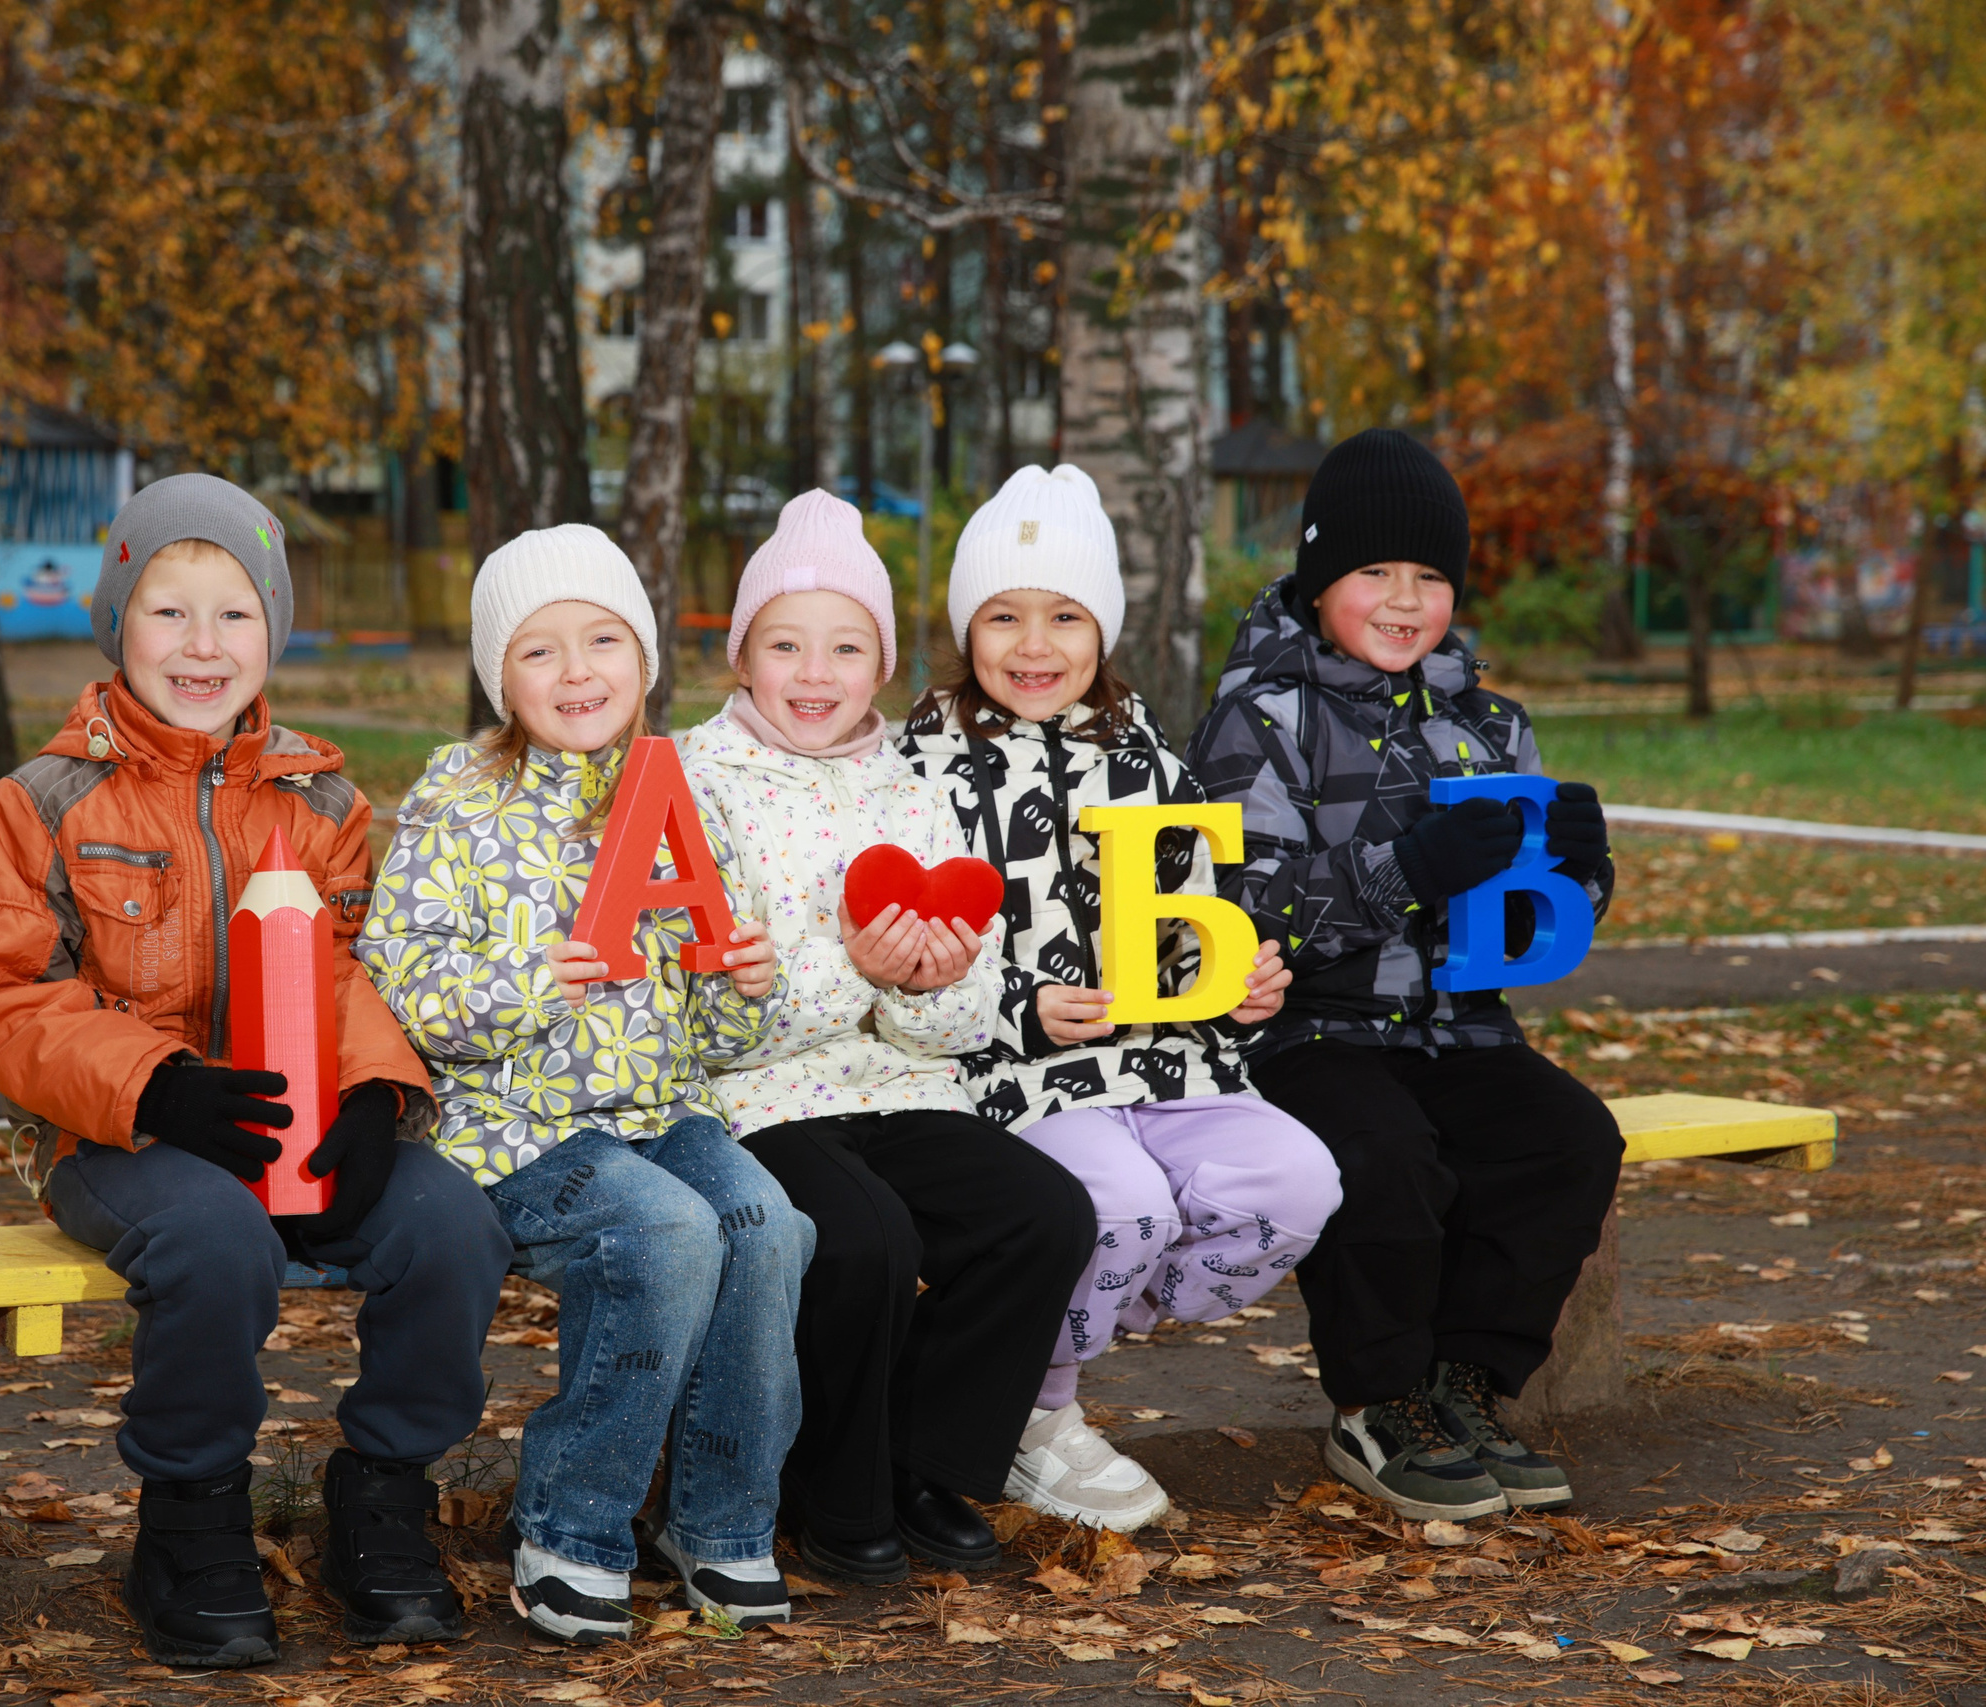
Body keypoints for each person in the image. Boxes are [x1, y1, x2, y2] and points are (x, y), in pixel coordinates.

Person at [0, 474, 512, 1665]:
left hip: (296, 1109)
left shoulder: (323, 801)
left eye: (235, 614)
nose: (202, 646)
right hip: (124, 1134)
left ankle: (381, 1497)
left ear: (274, 630)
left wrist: (370, 1093)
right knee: (217, 1243)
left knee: (453, 1225)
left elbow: (355, 964)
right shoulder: (39, 801)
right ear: (116, 625)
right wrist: (154, 1083)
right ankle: (190, 1515)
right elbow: (3, 1000)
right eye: (168, 612)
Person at [357, 525, 813, 1644]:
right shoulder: (456, 801)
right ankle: (572, 1528)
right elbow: (400, 985)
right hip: (512, 1129)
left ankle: (720, 1525)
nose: (576, 673)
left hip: (659, 1110)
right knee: (664, 1233)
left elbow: (718, 1028)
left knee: (766, 1222)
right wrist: (526, 980)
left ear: (645, 660)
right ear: (498, 678)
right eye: (538, 651)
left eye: (603, 640)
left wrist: (742, 978)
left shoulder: (679, 799)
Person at [1184, 427, 1623, 1521]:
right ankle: (1377, 1402)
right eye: (1373, 572)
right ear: (1319, 577)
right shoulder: (1257, 721)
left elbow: (1531, 921)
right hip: (1310, 1032)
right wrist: (1400, 870)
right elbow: (1236, 911)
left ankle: (1460, 1386)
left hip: (1463, 1027)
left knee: (1566, 1142)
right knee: (1386, 1159)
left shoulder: (1489, 722)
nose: (1401, 598)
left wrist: (1578, 871)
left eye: (1428, 576)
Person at [900, 465, 1343, 1531]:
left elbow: (1188, 917)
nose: (1034, 644)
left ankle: (1043, 1336)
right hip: (1016, 1077)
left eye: (1064, 616)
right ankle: (1037, 1413)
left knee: (1298, 1183)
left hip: (1169, 1067)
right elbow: (905, 951)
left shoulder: (1150, 760)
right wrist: (1019, 1006)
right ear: (967, 630)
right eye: (1002, 617)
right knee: (1122, 1209)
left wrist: (1239, 985)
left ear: (1103, 631)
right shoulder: (916, 767)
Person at [677, 491, 1097, 1582]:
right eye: (785, 645)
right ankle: (834, 1489)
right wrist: (851, 971)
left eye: (845, 648)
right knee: (863, 1238)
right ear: (741, 657)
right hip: (756, 1096)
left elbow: (960, 1014)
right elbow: (711, 1014)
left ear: (882, 667)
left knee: (1042, 1212)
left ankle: (921, 1462)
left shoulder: (911, 790)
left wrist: (926, 989)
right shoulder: (688, 780)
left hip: (903, 1087)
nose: (814, 675)